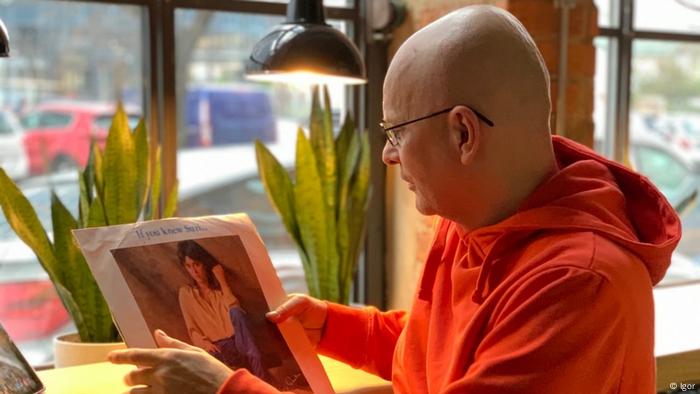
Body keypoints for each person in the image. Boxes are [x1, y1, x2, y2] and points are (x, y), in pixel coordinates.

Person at [109, 5, 680, 393]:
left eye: (396, 133)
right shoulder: (475, 217)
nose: (388, 156)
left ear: (463, 134)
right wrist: (328, 326)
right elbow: (430, 348)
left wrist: (223, 386)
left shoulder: (580, 284)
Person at [176, 240, 269, 381]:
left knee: (237, 313)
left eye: (197, 264)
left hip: (239, 340)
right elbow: (192, 328)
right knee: (214, 363)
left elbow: (234, 307)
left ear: (204, 265)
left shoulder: (219, 291)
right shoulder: (185, 293)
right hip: (218, 347)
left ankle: (261, 380)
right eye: (189, 266)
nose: (194, 271)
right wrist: (205, 344)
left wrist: (221, 279)